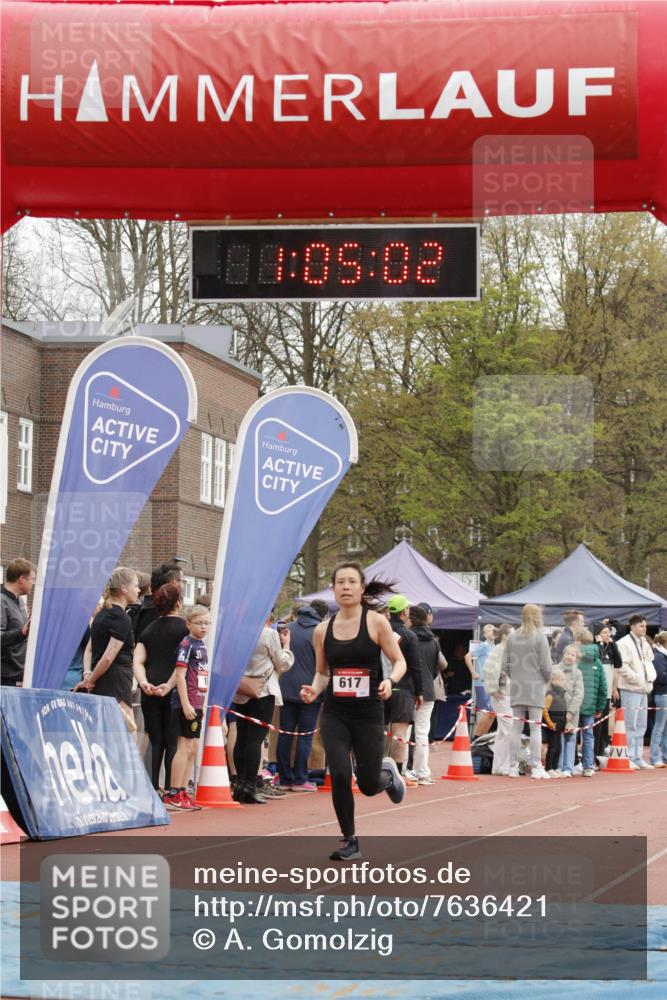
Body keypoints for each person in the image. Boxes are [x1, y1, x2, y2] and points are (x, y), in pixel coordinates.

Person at [301, 562, 407, 861]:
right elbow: (323, 674)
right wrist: (313, 690)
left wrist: (389, 680)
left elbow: (399, 661)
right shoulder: (322, 631)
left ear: (362, 588)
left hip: (369, 713)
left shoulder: (376, 623)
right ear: (333, 589)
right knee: (340, 772)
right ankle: (350, 839)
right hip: (335, 713)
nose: (345, 587)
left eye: (351, 582)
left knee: (369, 784)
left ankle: (388, 775)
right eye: (340, 582)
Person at [232, 612, 294, 804]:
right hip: (263, 690)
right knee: (255, 739)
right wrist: (286, 646)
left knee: (241, 737)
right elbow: (281, 663)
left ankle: (240, 785)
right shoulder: (268, 634)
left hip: (240, 688)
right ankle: (250, 786)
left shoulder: (235, 632)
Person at [132, 583, 188, 795]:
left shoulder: (149, 629)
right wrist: (170, 685)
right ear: (179, 603)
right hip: (173, 689)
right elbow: (182, 664)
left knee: (156, 739)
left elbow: (137, 661)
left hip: (150, 688)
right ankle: (172, 788)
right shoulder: (184, 629)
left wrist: (143, 682)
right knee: (172, 740)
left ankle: (154, 785)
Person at [159, 604, 211, 810]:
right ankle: (173, 792)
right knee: (184, 747)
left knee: (193, 749)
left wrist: (200, 704)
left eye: (207, 623)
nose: (204, 627)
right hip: (185, 702)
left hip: (197, 701)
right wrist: (186, 703)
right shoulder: (186, 644)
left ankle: (182, 790)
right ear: (188, 624)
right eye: (199, 623)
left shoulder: (202, 645)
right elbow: (179, 674)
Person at [277, 600, 329, 791]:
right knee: (305, 735)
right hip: (310, 689)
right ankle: (300, 779)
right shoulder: (320, 632)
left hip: (287, 688)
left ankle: (283, 778)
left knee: (285, 733)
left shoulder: (287, 628)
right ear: (322, 616)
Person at [78, 567, 140, 716]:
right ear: (124, 589)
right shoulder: (122, 618)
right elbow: (108, 656)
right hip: (116, 680)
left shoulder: (100, 615)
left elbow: (89, 649)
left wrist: (88, 673)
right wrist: (90, 681)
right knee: (126, 730)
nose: (138, 590)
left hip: (100, 676)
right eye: (136, 586)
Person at [503, 604, 553, 779]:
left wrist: (515, 676)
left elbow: (505, 665)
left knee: (516, 728)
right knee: (535, 728)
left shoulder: (512, 637)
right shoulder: (540, 638)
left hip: (517, 685)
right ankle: (537, 766)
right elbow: (547, 666)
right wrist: (546, 680)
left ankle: (513, 766)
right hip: (536, 686)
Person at [386, 595, 423, 781]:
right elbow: (416, 667)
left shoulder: (378, 632)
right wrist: (420, 692)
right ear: (404, 612)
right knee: (400, 732)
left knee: (378, 730)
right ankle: (397, 772)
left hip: (380, 687)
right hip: (403, 689)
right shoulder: (409, 636)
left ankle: (374, 768)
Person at [616, 615, 657, 769]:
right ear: (632, 626)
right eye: (641, 626)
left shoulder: (644, 642)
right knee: (630, 724)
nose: (644, 628)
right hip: (631, 688)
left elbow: (648, 662)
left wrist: (650, 678)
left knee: (641, 724)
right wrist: (636, 679)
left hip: (644, 689)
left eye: (645, 626)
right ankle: (629, 756)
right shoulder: (624, 643)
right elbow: (622, 665)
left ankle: (638, 756)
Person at [408, 604, 442, 784]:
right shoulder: (434, 641)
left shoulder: (406, 638)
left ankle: (404, 769)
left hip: (408, 689)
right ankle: (422, 772)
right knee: (422, 732)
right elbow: (437, 668)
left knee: (404, 731)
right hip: (428, 690)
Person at [572, 628, 608, 776]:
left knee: (571, 735)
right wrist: (599, 707)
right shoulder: (598, 662)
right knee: (588, 735)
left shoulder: (573, 658)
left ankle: (570, 765)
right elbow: (603, 688)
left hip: (573, 704)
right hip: (590, 705)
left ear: (578, 641)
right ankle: (588, 766)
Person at [482, 624, 514, 775]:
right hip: (502, 695)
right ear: (505, 636)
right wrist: (493, 690)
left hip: (508, 694)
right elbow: (489, 670)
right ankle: (505, 766)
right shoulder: (499, 651)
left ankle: (499, 766)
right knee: (509, 731)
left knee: (503, 732)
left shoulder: (507, 651)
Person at [1, 557, 36, 686]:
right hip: (5, 678)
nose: (33, 583)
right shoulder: (1, 602)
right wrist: (21, 632)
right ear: (21, 579)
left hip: (18, 674)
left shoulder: (19, 601)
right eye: (32, 579)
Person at [132, 561, 184, 641]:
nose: (183, 585)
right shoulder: (155, 611)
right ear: (174, 583)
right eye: (182, 581)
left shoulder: (151, 607)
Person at [592, 621, 621, 756]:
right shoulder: (594, 647)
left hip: (607, 691)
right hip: (597, 693)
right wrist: (599, 644)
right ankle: (593, 753)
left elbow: (619, 662)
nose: (608, 635)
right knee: (596, 725)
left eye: (609, 632)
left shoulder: (610, 647)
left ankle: (601, 749)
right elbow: (598, 658)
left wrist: (613, 644)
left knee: (604, 724)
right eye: (604, 632)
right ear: (597, 634)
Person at [556, 645, 585, 777]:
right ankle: (559, 766)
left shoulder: (578, 673)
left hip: (572, 713)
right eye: (567, 653)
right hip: (557, 712)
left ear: (576, 658)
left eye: (572, 655)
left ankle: (568, 767)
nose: (569, 656)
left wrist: (571, 712)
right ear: (563, 654)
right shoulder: (555, 669)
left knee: (571, 739)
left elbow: (579, 694)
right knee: (559, 739)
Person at [465, 624, 497, 737]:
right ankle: (478, 738)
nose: (492, 632)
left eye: (493, 630)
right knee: (485, 712)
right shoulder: (484, 646)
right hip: (482, 683)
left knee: (491, 713)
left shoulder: (496, 647)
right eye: (488, 631)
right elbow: (467, 656)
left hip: (492, 684)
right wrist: (473, 672)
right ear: (485, 634)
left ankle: (483, 737)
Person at [543, 668, 568, 774]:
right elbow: (545, 710)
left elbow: (563, 711)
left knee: (559, 747)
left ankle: (556, 766)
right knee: (552, 747)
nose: (564, 682)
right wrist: (550, 723)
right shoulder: (550, 695)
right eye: (562, 679)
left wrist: (565, 724)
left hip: (560, 725)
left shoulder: (562, 695)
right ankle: (549, 768)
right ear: (554, 681)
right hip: (552, 725)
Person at [649, 632, 667, 767]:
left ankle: (665, 756)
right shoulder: (659, 657)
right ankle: (655, 757)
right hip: (662, 695)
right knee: (659, 727)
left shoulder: (663, 656)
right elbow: (660, 677)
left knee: (665, 728)